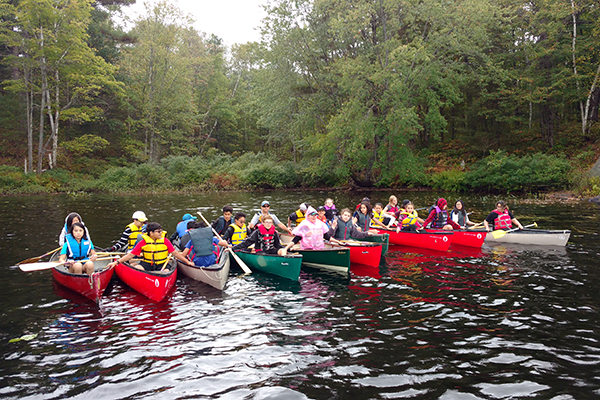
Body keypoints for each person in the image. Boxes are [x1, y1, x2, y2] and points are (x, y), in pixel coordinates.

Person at [107, 222, 193, 272]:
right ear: (151, 233)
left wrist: (187, 262)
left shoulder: (165, 241)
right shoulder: (143, 242)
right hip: (147, 264)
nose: (161, 233)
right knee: (137, 268)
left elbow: (175, 253)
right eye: (158, 231)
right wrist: (116, 262)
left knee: (166, 272)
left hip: (162, 264)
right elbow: (130, 255)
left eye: (161, 231)